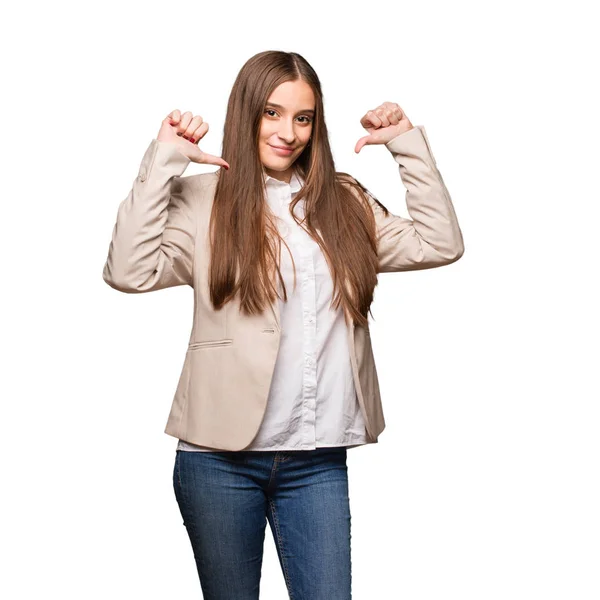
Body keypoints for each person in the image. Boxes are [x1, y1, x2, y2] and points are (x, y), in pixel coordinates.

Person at [102, 50, 464, 600]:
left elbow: (440, 243)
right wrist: (164, 159)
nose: (288, 132)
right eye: (272, 113)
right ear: (245, 113)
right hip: (217, 461)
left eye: (303, 117)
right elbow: (127, 271)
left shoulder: (343, 202)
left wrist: (406, 146)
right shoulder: (202, 201)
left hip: (316, 462)